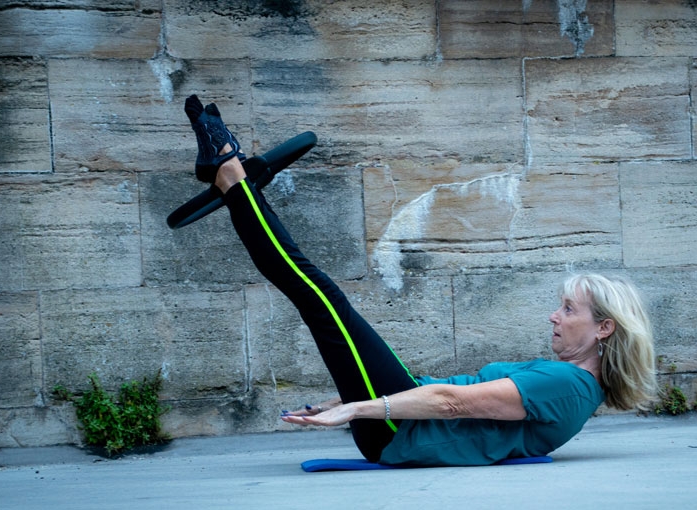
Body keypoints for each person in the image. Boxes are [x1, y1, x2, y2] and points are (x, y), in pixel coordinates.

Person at [183, 95, 657, 466]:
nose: (555, 315)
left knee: (318, 294)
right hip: (399, 420)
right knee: (314, 294)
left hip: (400, 432)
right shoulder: (571, 383)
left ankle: (230, 172)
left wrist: (354, 410)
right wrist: (344, 398)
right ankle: (235, 181)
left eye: (569, 309)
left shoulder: (567, 384)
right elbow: (450, 394)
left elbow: (454, 403)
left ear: (604, 328)